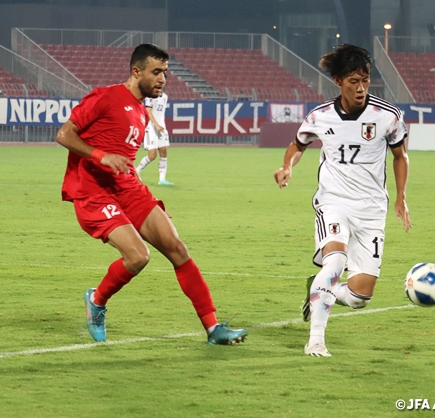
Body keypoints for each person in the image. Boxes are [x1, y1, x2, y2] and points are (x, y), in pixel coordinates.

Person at [56, 43, 247, 345]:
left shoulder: (141, 112)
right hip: (94, 190)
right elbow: (64, 135)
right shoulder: (105, 97)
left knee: (177, 248)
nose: (163, 79)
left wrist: (147, 200)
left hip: (128, 188)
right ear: (136, 71)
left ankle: (213, 329)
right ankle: (97, 300)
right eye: (156, 72)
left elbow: (126, 162)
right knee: (137, 256)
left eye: (166, 74)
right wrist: (100, 156)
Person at [273, 44, 410, 357]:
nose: (361, 88)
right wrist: (287, 168)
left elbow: (401, 156)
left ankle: (319, 288)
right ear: (338, 81)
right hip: (334, 202)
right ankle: (316, 340)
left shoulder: (387, 117)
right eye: (353, 81)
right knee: (334, 263)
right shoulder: (320, 117)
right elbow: (297, 146)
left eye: (365, 80)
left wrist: (401, 198)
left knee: (362, 297)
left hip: (373, 209)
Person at [135, 91, 173, 185]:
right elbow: (148, 112)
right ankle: (137, 170)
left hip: (161, 127)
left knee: (164, 151)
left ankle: (162, 179)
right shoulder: (150, 96)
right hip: (151, 128)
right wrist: (156, 125)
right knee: (152, 155)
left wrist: (161, 126)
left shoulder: (165, 96)